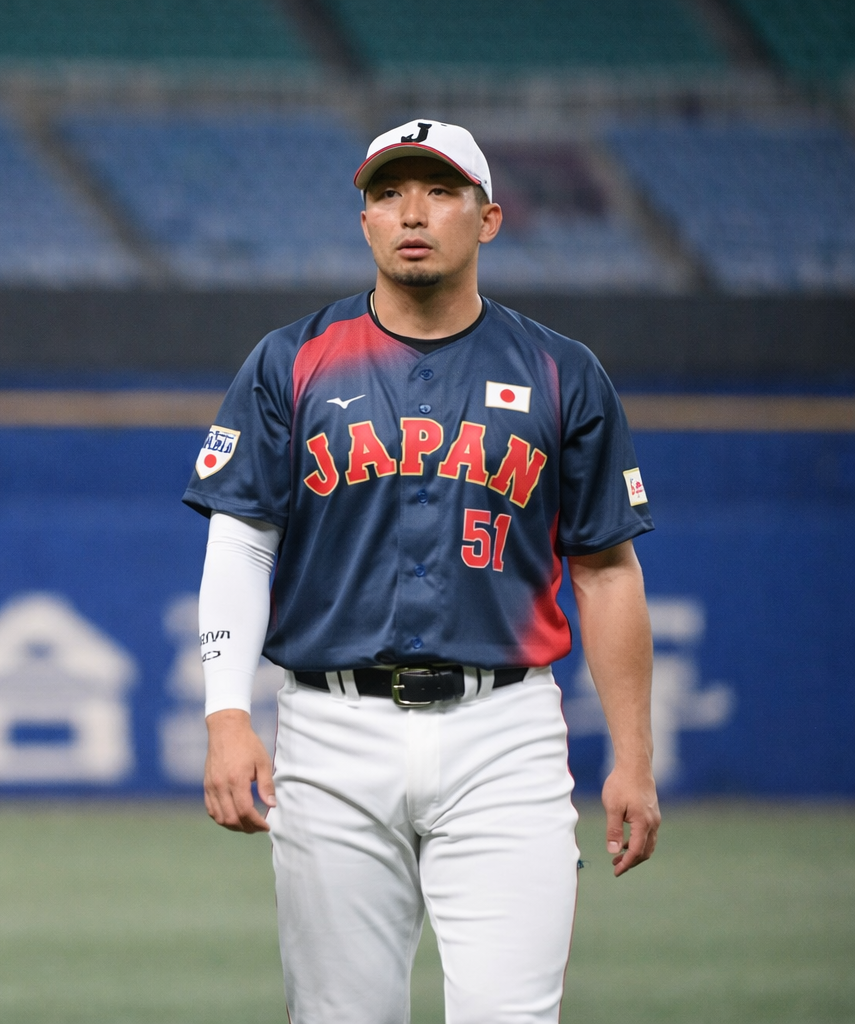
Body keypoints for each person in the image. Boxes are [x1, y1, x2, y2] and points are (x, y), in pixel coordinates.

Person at [184, 118, 660, 1023]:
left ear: (489, 219)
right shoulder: (291, 362)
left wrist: (634, 759)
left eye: (441, 192)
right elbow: (243, 543)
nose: (413, 212)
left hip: (506, 731)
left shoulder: (563, 372)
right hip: (331, 729)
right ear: (362, 220)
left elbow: (606, 571)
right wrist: (227, 716)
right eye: (388, 193)